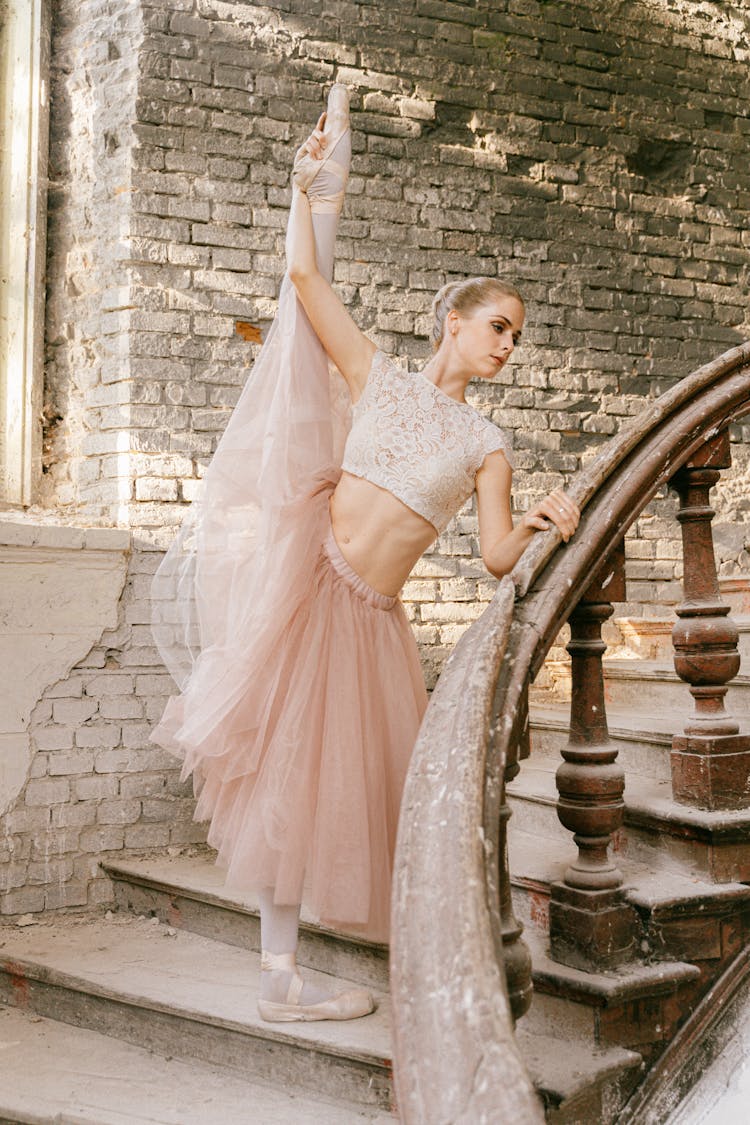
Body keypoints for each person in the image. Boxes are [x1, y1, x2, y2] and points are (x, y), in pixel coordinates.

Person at [149, 85, 580, 1025]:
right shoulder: (377, 375)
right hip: (309, 588)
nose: (508, 346)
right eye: (497, 325)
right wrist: (311, 189)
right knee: (277, 774)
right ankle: (280, 975)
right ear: (452, 323)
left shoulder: (486, 441)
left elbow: (498, 557)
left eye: (517, 335)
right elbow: (306, 286)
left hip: (371, 623)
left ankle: (325, 978)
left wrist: (545, 518)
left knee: (335, 791)